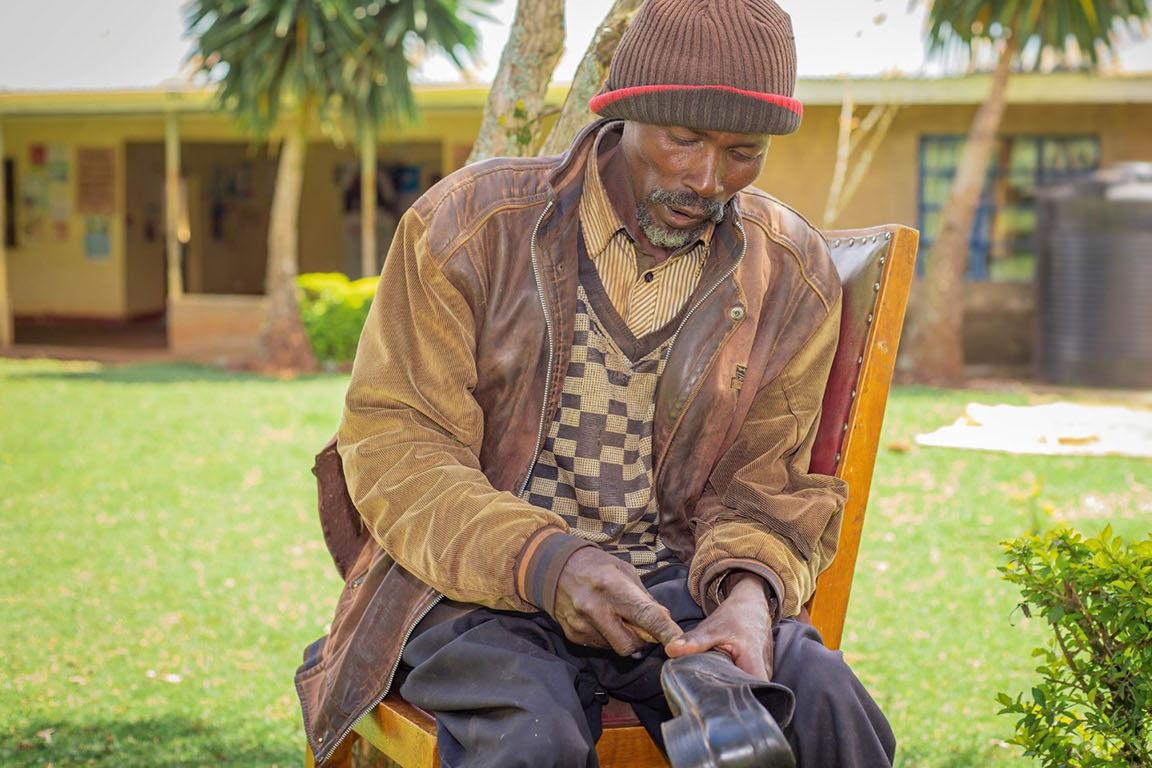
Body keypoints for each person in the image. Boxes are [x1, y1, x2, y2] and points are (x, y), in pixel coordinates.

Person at [295, 1, 895, 765]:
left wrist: (748, 596)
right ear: (620, 115)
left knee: (832, 705)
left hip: (678, 586)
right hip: (475, 589)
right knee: (531, 734)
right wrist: (552, 562)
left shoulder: (790, 273)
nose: (708, 179)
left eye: (744, 152)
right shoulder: (470, 226)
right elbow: (397, 451)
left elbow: (767, 486)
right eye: (683, 138)